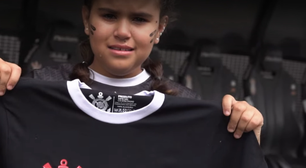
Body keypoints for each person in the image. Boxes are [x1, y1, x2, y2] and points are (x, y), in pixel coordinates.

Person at [0, 0, 263, 144]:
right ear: (86, 18)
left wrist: (246, 134)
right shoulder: (38, 87)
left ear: (160, 28)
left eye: (139, 19)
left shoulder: (185, 105)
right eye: (109, 15)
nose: (123, 32)